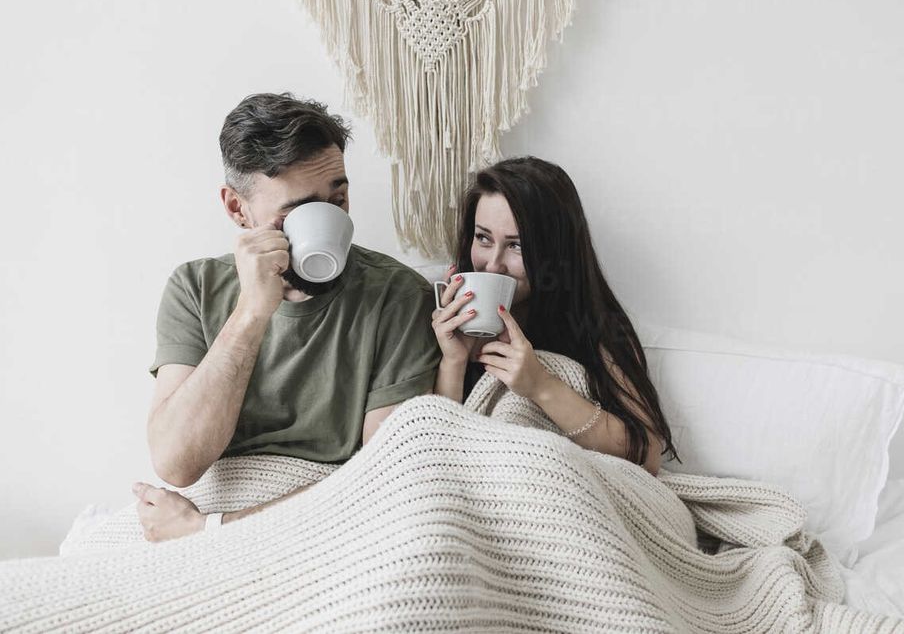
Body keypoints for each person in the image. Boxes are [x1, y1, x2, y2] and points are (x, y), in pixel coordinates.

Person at [130, 93, 441, 542]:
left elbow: (384, 479)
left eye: (338, 197)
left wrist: (213, 529)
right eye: (298, 212)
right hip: (212, 505)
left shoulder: (398, 296)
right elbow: (177, 463)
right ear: (238, 209)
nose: (330, 220)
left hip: (324, 525)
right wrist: (251, 312)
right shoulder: (195, 287)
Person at [431, 157, 679, 474]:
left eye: (516, 245)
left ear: (554, 251)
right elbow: (435, 451)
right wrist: (454, 361)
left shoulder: (595, 327)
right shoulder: (441, 317)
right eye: (483, 238)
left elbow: (646, 455)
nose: (493, 264)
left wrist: (541, 385)